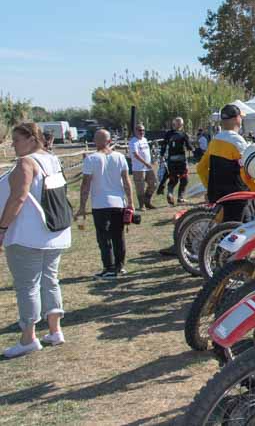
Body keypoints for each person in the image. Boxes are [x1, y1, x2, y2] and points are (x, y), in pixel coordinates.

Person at [0, 123, 72, 358]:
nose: (13, 144)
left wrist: (2, 228)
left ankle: (28, 337)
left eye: (17, 139)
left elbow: (18, 198)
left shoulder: (26, 162)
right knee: (50, 280)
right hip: (54, 233)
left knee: (28, 286)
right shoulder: (51, 159)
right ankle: (54, 330)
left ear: (31, 139)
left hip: (28, 236)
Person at [78, 128, 133, 280]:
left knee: (104, 237)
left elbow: (85, 185)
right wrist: (131, 202)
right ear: (109, 141)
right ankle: (119, 266)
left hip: (100, 204)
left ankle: (109, 267)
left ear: (97, 141)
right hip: (118, 203)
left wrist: (82, 207)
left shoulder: (91, 159)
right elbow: (127, 181)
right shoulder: (120, 157)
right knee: (118, 235)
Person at [196, 104, 255, 222]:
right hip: (236, 195)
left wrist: (209, 187)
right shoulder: (237, 141)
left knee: (227, 228)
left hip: (218, 194)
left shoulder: (215, 140)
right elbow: (246, 171)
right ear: (236, 119)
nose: (241, 119)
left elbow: (201, 168)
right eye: (241, 117)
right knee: (232, 233)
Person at [159, 117, 193, 205]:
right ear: (181, 125)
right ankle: (180, 198)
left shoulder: (168, 134)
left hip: (171, 160)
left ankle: (170, 193)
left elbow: (163, 146)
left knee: (173, 178)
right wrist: (193, 148)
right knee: (184, 179)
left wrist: (162, 156)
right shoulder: (183, 134)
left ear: (174, 124)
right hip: (181, 160)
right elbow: (189, 147)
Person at [128, 124, 157, 210]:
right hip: (138, 168)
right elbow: (135, 155)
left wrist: (151, 161)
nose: (142, 132)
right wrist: (145, 163)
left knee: (154, 183)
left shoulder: (145, 140)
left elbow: (147, 152)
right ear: (135, 131)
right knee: (140, 187)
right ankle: (142, 205)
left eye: (143, 130)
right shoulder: (133, 141)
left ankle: (147, 201)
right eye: (140, 130)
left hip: (148, 166)